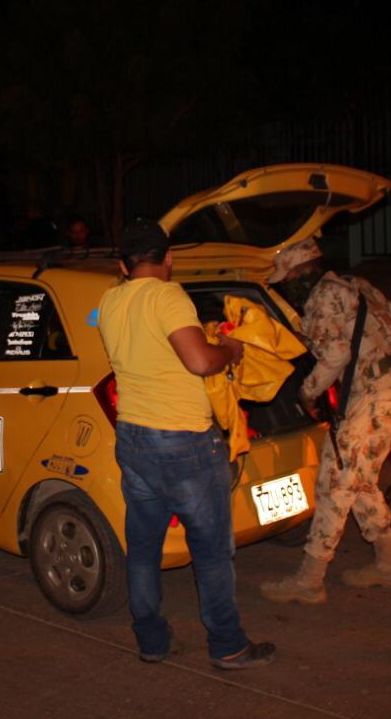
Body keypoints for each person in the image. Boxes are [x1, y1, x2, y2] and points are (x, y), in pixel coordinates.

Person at [97, 219, 276, 671]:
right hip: (183, 443)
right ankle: (228, 645)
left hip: (133, 436)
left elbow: (152, 353)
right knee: (212, 551)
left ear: (122, 264)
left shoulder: (110, 299)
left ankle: (152, 641)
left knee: (143, 548)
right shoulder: (168, 296)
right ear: (169, 258)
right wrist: (230, 351)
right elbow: (198, 361)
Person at [260, 238, 391, 605]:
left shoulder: (324, 296)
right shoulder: (355, 285)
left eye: (288, 277)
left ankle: (310, 578)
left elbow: (335, 354)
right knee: (358, 479)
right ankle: (388, 564)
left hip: (368, 397)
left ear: (299, 271)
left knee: (334, 482)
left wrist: (308, 393)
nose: (287, 285)